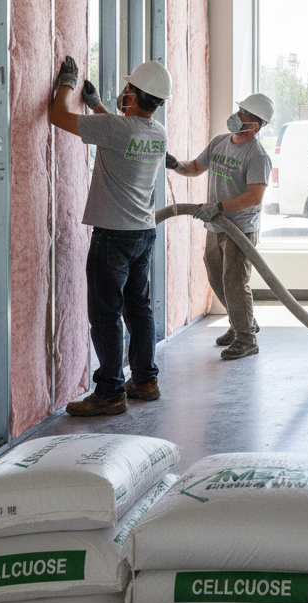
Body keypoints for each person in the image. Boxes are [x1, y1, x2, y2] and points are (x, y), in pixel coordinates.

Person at [49, 57, 171, 416]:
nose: (123, 93)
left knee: (105, 315)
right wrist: (96, 104)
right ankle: (146, 380)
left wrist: (67, 86)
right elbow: (117, 131)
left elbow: (58, 117)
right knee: (139, 309)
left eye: (127, 89)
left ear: (135, 97)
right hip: (143, 234)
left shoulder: (117, 129)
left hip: (112, 238)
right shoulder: (157, 133)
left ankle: (109, 392)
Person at [167, 94, 274, 360]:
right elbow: (194, 167)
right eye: (239, 109)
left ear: (256, 125)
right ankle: (240, 324)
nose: (237, 115)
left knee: (235, 282)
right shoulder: (219, 143)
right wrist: (175, 165)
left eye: (244, 113)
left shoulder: (257, 155)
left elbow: (254, 197)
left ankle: (247, 339)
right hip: (215, 226)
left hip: (240, 229)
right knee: (217, 277)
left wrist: (220, 207)